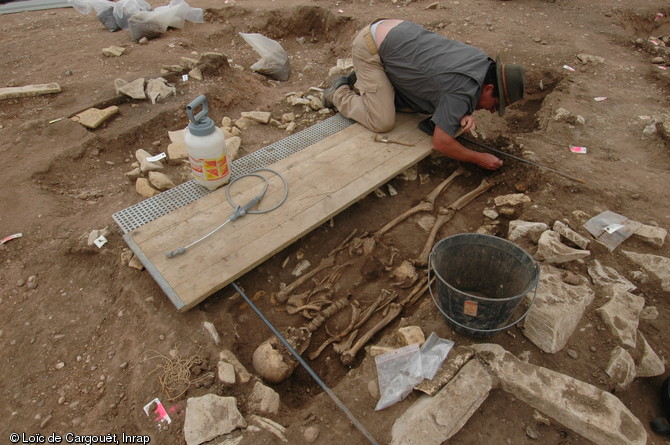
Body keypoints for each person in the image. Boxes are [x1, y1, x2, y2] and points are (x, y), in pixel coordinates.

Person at [322, 19, 525, 171]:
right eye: (494, 104)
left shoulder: (482, 63)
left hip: (396, 34)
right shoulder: (462, 88)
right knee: (382, 121)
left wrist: (461, 111)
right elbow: (440, 142)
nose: (490, 110)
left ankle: (369, 81)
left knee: (413, 105)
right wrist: (479, 158)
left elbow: (447, 86)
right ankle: (339, 91)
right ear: (489, 88)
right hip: (370, 47)